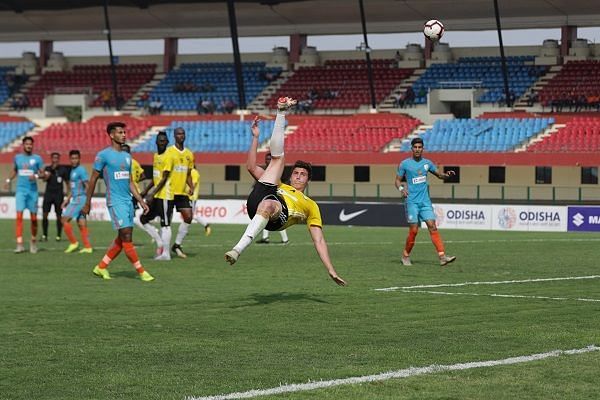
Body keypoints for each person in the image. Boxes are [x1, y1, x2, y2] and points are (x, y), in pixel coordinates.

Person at [224, 97, 346, 286]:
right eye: (295, 173)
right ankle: (281, 111)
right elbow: (251, 167)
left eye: (303, 174)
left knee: (271, 199)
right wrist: (255, 138)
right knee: (278, 159)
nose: (298, 176)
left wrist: (331, 270)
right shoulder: (281, 185)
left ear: (308, 180)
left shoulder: (311, 205)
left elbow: (319, 240)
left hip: (278, 217)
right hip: (257, 203)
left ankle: (237, 249)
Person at [81, 122, 154, 282]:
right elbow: (93, 179)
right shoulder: (103, 155)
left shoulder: (127, 157)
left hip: (128, 201)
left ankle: (101, 267)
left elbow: (130, 182)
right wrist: (87, 202)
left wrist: (140, 200)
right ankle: (141, 271)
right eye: (120, 132)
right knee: (126, 235)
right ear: (111, 135)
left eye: (124, 132)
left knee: (123, 237)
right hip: (115, 201)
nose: (124, 135)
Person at [395, 137, 457, 267]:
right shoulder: (404, 164)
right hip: (412, 202)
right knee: (414, 230)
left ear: (423, 149)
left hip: (425, 202)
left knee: (432, 226)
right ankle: (405, 256)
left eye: (420, 147)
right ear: (411, 148)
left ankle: (442, 257)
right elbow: (397, 180)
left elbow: (439, 175)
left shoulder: (427, 163)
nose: (417, 149)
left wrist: (447, 175)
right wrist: (401, 188)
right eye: (415, 147)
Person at [3, 136, 46, 253]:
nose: (29, 146)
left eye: (30, 144)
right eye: (27, 144)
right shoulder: (17, 158)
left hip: (32, 192)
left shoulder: (37, 159)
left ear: (33, 145)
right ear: (23, 145)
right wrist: (8, 180)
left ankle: (33, 241)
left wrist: (36, 176)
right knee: (19, 217)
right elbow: (15, 170)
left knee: (33, 219)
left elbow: (44, 174)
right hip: (21, 191)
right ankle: (19, 243)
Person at [139, 132, 174, 260]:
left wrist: (152, 193)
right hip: (156, 195)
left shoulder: (168, 157)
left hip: (165, 195)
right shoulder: (155, 156)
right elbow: (155, 177)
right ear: (156, 142)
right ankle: (159, 242)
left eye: (164, 140)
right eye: (160, 140)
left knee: (165, 225)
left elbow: (164, 178)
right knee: (143, 219)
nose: (162, 142)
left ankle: (166, 254)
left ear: (167, 142)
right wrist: (146, 191)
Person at [166, 127, 195, 259]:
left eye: (183, 133)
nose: (181, 136)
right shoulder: (169, 152)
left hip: (182, 192)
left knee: (188, 217)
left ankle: (177, 244)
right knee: (167, 222)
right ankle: (164, 248)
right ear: (174, 136)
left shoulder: (189, 154)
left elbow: (188, 173)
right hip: (169, 192)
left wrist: (191, 186)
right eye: (178, 133)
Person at [62, 150, 93, 254]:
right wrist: (66, 200)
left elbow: (88, 185)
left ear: (79, 159)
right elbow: (73, 188)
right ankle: (88, 247)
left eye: (76, 158)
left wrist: (88, 201)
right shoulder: (73, 170)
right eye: (72, 158)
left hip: (80, 199)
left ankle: (73, 242)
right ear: (70, 159)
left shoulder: (81, 170)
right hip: (76, 198)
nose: (74, 160)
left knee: (64, 219)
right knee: (81, 223)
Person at [121, 144, 154, 241]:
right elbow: (143, 176)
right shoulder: (135, 162)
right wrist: (135, 181)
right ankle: (126, 239)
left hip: (131, 193)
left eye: (124, 151)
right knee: (129, 217)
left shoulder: (124, 163)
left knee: (132, 218)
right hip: (134, 192)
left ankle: (152, 231)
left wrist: (133, 182)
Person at [255, 152, 288, 245]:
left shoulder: (278, 170)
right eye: (267, 159)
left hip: (276, 197)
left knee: (277, 218)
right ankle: (265, 238)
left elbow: (283, 182)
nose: (268, 160)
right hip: (266, 196)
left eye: (270, 159)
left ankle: (285, 239)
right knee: (266, 217)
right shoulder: (265, 170)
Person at [41, 152, 69, 241]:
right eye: (54, 158)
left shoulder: (62, 169)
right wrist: (47, 175)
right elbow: (44, 179)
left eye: (57, 158)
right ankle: (45, 235)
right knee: (45, 214)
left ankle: (58, 235)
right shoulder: (48, 168)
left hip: (58, 195)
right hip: (48, 194)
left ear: (59, 159)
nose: (55, 159)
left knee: (59, 215)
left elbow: (67, 183)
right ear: (51, 159)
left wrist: (68, 195)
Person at [186, 166, 212, 235]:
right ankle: (185, 230)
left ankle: (206, 225)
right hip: (187, 197)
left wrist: (191, 191)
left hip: (192, 197)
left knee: (191, 215)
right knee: (188, 215)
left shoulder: (194, 172)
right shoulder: (189, 172)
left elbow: (194, 183)